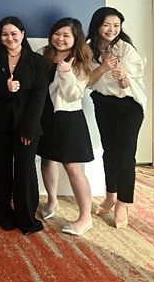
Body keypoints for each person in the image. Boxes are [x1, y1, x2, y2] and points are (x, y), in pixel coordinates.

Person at [0, 16, 48, 235]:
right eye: (4, 34)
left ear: (22, 34)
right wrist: (5, 88)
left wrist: (29, 129)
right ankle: (4, 216)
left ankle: (26, 218)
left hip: (26, 127)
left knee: (25, 172)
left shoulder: (37, 62)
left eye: (14, 33)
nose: (9, 38)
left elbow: (39, 98)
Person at [86, 7, 146, 229]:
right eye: (107, 25)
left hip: (129, 106)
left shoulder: (126, 49)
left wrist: (122, 78)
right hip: (103, 104)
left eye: (116, 25)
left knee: (125, 155)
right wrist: (103, 68)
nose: (112, 30)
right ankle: (111, 195)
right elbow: (87, 82)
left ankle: (123, 203)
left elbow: (129, 83)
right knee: (109, 151)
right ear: (97, 26)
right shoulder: (88, 49)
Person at [37, 18, 94, 236]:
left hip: (68, 119)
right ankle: (52, 201)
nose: (60, 39)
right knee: (47, 159)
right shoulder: (43, 53)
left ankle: (85, 217)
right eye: (57, 33)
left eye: (66, 35)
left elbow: (74, 95)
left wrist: (66, 72)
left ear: (75, 39)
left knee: (73, 168)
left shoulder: (80, 61)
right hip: (44, 116)